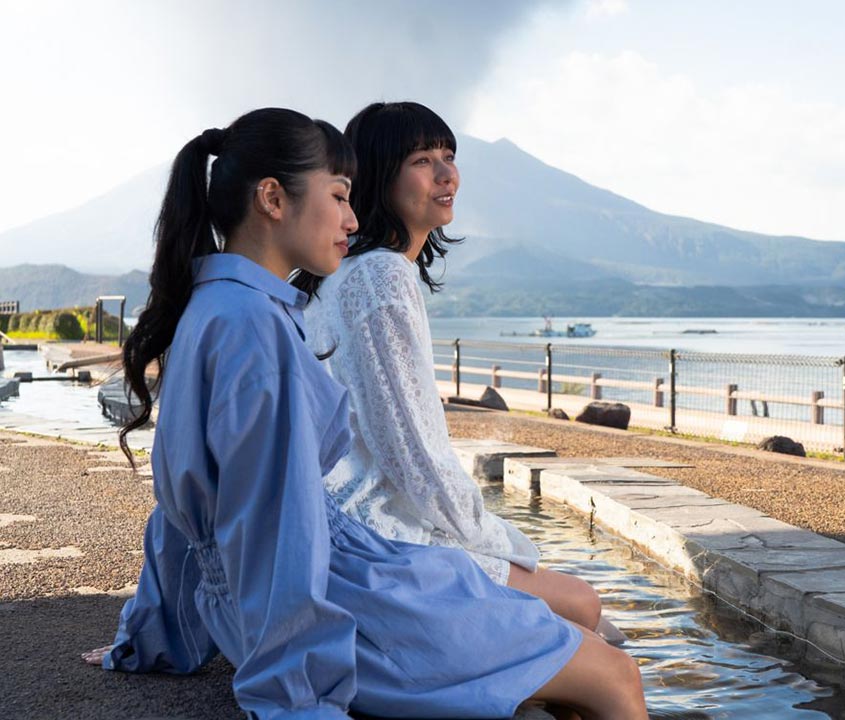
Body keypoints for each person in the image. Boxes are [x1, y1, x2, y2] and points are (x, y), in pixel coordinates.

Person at [87, 108, 646, 719]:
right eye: (339, 196)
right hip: (355, 594)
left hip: (289, 594)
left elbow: (184, 511)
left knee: (570, 644)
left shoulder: (218, 309)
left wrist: (153, 635)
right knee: (614, 673)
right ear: (273, 199)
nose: (353, 219)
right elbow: (285, 534)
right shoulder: (260, 331)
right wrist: (299, 698)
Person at [293, 102, 604, 632]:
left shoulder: (341, 271)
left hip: (341, 522)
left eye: (449, 155)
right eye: (421, 159)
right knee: (583, 606)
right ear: (379, 176)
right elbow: (409, 449)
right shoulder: (381, 278)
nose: (446, 174)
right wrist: (486, 534)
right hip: (378, 534)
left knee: (578, 615)